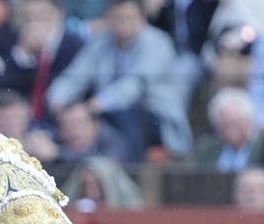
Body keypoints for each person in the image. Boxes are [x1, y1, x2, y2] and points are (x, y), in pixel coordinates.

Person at [46, 0, 192, 161]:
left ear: (142, 18)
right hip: (107, 112)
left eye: (129, 18)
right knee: (70, 117)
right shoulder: (101, 43)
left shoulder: (158, 43)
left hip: (157, 120)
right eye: (117, 18)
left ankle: (132, 170)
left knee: (124, 112)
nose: (123, 24)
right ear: (108, 19)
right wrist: (58, 99)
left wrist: (96, 104)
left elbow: (135, 86)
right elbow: (75, 75)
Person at [193, 87, 264, 171]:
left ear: (249, 122)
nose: (231, 129)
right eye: (226, 123)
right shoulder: (206, 148)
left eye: (236, 122)